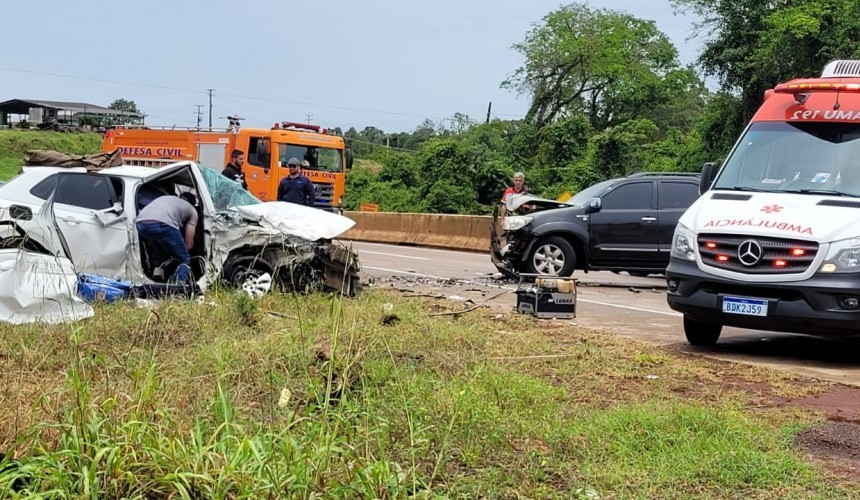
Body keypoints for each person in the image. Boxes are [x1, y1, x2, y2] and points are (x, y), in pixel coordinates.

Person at [135, 192, 198, 284]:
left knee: (159, 249)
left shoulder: (169, 199)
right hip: (163, 224)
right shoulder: (192, 211)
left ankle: (158, 275)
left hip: (141, 224)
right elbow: (188, 244)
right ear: (193, 204)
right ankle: (178, 286)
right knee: (184, 258)